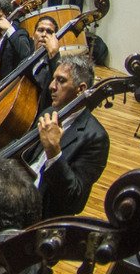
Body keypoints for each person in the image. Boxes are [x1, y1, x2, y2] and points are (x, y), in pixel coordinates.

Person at [22, 54, 109, 218]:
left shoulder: (96, 138)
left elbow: (74, 200)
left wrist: (53, 151)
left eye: (60, 81)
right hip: (19, 193)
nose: (51, 86)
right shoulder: (49, 113)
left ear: (81, 89)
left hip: (41, 213)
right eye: (53, 79)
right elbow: (25, 156)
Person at [0, 0, 30, 81]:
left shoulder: (19, 33)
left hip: (5, 84)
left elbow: (26, 54)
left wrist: (9, 29)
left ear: (9, 15)